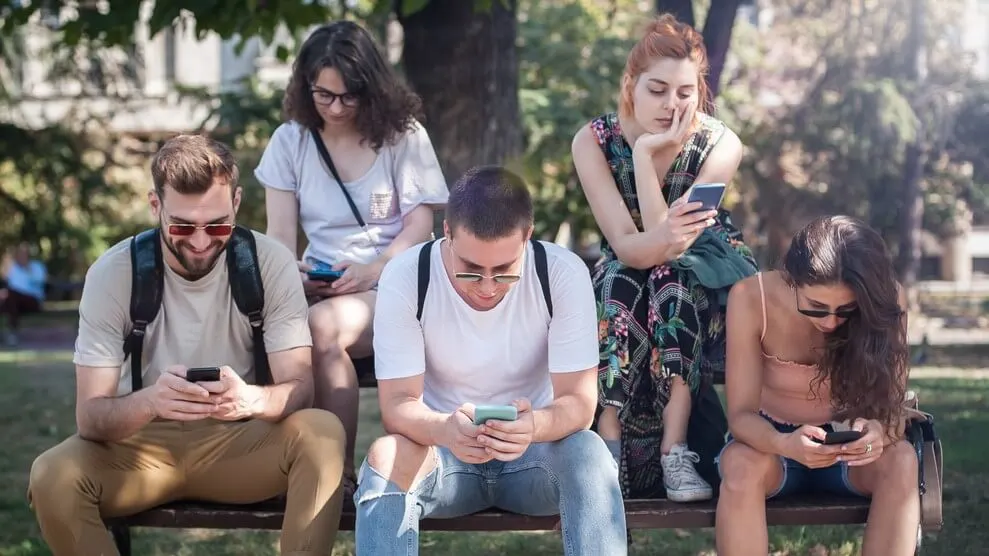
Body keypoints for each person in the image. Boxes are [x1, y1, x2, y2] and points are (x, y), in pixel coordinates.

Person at [27, 135, 347, 555]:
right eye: (182, 226)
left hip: (240, 444)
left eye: (217, 225)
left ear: (235, 202)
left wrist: (250, 399)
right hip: (137, 451)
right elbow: (91, 417)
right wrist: (152, 403)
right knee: (51, 475)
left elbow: (299, 387)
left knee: (323, 433)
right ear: (155, 206)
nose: (200, 242)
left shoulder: (268, 263)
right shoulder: (113, 273)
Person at [354, 166, 627, 555]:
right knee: (385, 456)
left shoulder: (562, 273)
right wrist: (446, 429)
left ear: (527, 237)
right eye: (470, 271)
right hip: (445, 456)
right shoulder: (408, 274)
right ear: (446, 232)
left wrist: (534, 426)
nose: (486, 287)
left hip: (534, 456)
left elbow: (580, 405)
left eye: (503, 272)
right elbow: (397, 406)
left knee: (589, 453)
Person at [255, 20, 449, 494]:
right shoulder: (291, 141)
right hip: (324, 286)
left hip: (395, 282)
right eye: (324, 96)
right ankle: (271, 462)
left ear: (371, 88)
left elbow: (420, 225)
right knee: (267, 322)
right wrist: (295, 276)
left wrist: (372, 270)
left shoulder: (403, 136)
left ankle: (334, 472)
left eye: (348, 97)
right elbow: (279, 236)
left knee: (322, 326)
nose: (336, 108)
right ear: (306, 87)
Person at [571, 13, 757, 501]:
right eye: (657, 90)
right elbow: (628, 244)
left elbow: (677, 243)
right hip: (630, 275)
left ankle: (676, 453)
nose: (672, 106)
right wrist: (637, 155)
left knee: (673, 281)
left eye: (684, 92)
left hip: (706, 279)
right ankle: (606, 449)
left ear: (699, 91)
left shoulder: (721, 144)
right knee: (618, 279)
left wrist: (646, 164)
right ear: (630, 84)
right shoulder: (593, 141)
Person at [715, 215, 920, 556]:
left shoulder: (887, 300)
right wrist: (784, 443)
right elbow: (740, 416)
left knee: (902, 460)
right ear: (792, 281)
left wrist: (878, 432)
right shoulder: (752, 297)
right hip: (770, 443)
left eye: (847, 310)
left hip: (851, 444)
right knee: (740, 465)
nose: (830, 321)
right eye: (817, 307)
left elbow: (892, 411)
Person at [0, 242, 47, 346]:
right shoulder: (13, 269)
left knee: (11, 296)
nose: (22, 257)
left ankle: (12, 332)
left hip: (32, 300)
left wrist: (28, 270)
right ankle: (12, 333)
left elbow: (41, 281)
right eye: (20, 254)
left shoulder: (36, 267)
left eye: (24, 254)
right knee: (9, 298)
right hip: (14, 302)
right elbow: (6, 282)